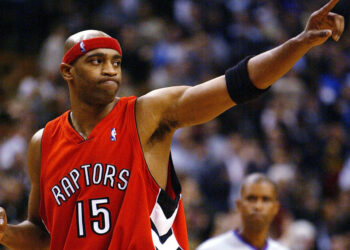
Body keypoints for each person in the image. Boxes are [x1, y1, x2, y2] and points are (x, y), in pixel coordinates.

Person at [0, 0, 344, 249]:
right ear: (67, 72)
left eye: (116, 62)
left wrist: (300, 43)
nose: (111, 70)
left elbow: (236, 85)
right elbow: (44, 233)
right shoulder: (43, 142)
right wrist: (6, 234)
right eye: (96, 61)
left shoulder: (146, 113)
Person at [197, 173, 288, 250]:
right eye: (251, 199)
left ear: (275, 208)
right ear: (239, 205)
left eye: (265, 200)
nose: (258, 206)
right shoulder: (211, 248)